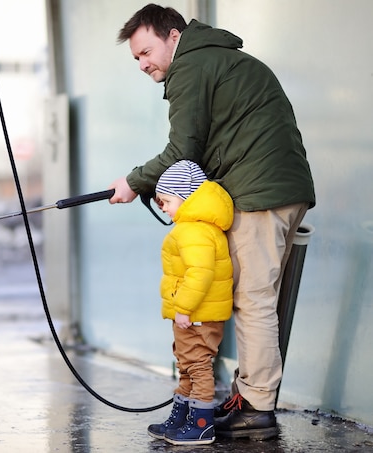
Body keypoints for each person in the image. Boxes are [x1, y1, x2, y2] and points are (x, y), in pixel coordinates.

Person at [109, 4, 316, 441]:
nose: (143, 64)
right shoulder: (220, 59)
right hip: (282, 187)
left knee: (253, 300)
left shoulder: (192, 67)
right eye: (136, 59)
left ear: (173, 36)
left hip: (261, 193)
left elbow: (183, 150)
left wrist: (133, 182)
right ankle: (247, 396)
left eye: (146, 52)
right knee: (256, 296)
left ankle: (257, 407)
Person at [147, 160, 233, 445]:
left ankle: (201, 425)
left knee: (197, 367)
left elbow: (200, 273)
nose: (163, 207)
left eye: (167, 201)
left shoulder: (194, 230)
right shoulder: (195, 227)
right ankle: (182, 419)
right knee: (187, 366)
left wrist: (183, 308)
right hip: (194, 315)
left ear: (187, 199)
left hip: (197, 315)